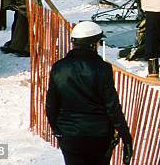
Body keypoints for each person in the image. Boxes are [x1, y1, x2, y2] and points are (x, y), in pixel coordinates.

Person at [46, 21, 133, 165]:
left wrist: (58, 131)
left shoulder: (59, 68)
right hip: (99, 136)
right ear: (93, 44)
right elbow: (112, 107)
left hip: (70, 135)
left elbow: (51, 105)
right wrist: (126, 137)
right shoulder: (103, 68)